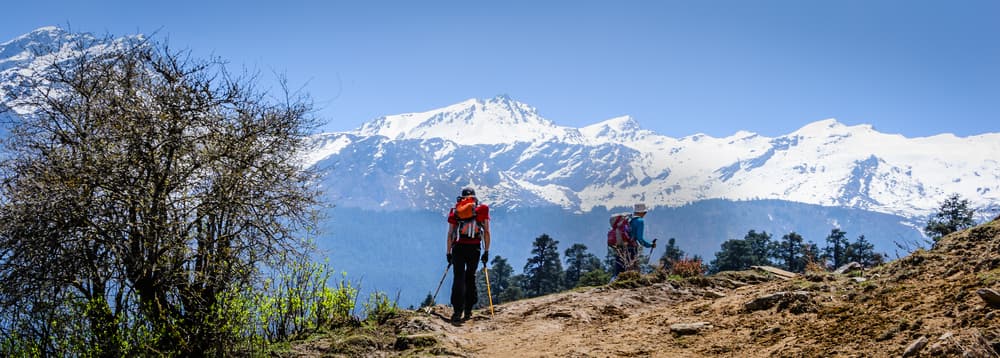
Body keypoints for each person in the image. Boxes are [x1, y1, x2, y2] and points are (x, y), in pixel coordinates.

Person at [446, 187, 491, 323]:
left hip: (458, 248)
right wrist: (486, 251)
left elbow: (450, 234)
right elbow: (487, 231)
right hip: (474, 248)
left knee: (458, 277)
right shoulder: (481, 210)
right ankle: (469, 309)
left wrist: (448, 252)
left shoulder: (455, 211)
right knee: (470, 276)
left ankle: (457, 310)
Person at [612, 203, 655, 279]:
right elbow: (640, 238)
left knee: (619, 268)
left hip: (621, 246)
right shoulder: (639, 221)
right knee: (631, 268)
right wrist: (650, 245)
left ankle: (614, 281)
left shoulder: (628, 219)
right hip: (631, 247)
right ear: (643, 212)